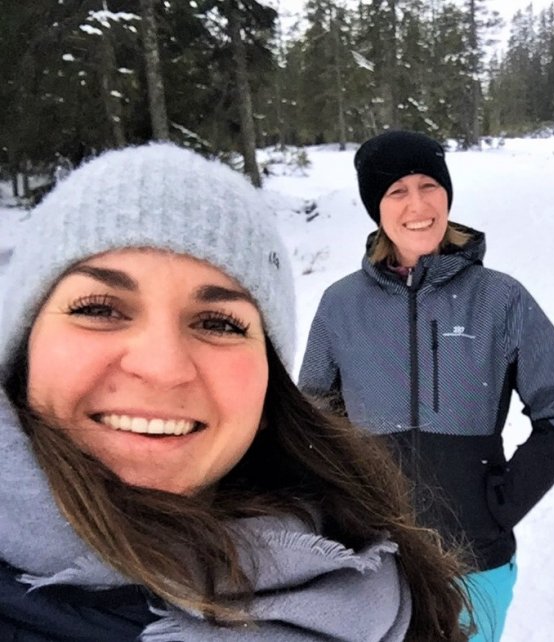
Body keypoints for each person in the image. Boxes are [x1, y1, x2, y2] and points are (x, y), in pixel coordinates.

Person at [0, 143, 469, 641]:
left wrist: (498, 498)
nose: (161, 368)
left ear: (269, 392)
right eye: (99, 309)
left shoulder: (375, 580)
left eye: (217, 322)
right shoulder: (343, 301)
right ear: (24, 348)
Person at [298, 130, 554, 641]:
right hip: (378, 563)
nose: (417, 204)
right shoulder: (340, 306)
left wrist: (501, 502)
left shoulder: (500, 299)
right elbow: (312, 426)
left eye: (428, 185)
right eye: (396, 192)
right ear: (377, 208)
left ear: (447, 194)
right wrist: (341, 514)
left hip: (475, 561)